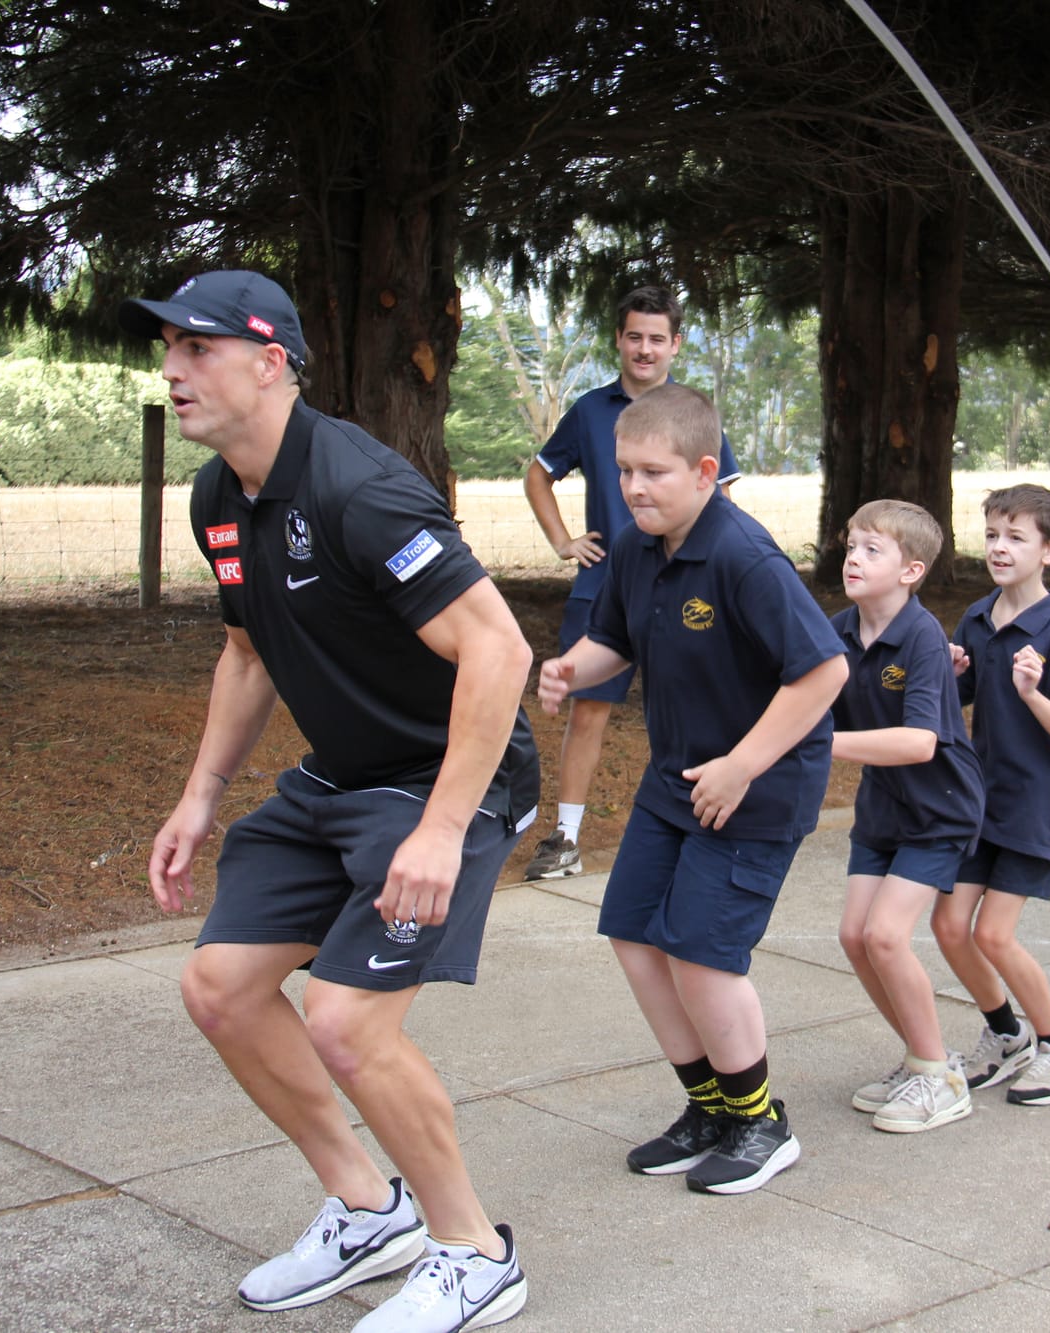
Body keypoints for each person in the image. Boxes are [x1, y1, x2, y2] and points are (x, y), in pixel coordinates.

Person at [125, 270, 538, 1333]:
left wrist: (443, 827)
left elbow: (498, 650)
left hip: (448, 775)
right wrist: (199, 794)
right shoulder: (219, 494)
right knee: (219, 986)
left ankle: (474, 1252)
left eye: (197, 350)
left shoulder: (362, 489)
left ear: (270, 363)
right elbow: (247, 646)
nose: (172, 371)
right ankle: (364, 1206)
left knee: (349, 1022)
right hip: (342, 777)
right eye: (167, 350)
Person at [536, 382, 846, 1195]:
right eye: (624, 470)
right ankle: (708, 1107)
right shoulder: (640, 545)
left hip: (756, 790)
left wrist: (744, 762)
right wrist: (572, 669)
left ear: (706, 471)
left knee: (704, 958)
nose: (635, 487)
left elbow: (823, 672)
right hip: (674, 782)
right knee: (637, 938)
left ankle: (760, 1122)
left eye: (654, 472)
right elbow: (615, 639)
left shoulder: (744, 556)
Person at [520, 285, 741, 881]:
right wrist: (564, 541)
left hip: (688, 587)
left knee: (700, 703)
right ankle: (565, 839)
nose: (645, 350)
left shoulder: (696, 414)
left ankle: (706, 821)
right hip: (608, 585)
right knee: (586, 709)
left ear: (676, 344)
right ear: (619, 340)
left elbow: (719, 500)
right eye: (634, 337)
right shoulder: (592, 410)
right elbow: (538, 474)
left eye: (657, 339)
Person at [937, 484, 1050, 1107]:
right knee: (951, 926)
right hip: (982, 799)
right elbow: (966, 698)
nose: (999, 549)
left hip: (1038, 803)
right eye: (992, 537)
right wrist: (953, 675)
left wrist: (1034, 694)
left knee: (994, 936)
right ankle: (1007, 1037)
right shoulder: (978, 618)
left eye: (1015, 538)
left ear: (1049, 551)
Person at [828, 500, 987, 1134]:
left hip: (940, 807)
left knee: (887, 936)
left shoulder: (922, 636)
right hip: (884, 808)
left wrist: (816, 744)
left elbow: (921, 742)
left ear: (911, 570)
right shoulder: (838, 629)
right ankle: (926, 1059)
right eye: (851, 546)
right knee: (855, 937)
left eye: (873, 550)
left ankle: (938, 1080)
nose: (854, 558)